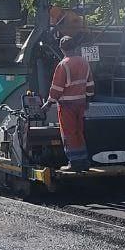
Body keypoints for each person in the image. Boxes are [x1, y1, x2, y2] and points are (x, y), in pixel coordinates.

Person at [46, 35, 94, 171]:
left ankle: (74, 162)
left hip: (67, 105)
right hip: (81, 103)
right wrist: (88, 99)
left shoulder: (63, 65)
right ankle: (84, 161)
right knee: (79, 131)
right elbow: (90, 84)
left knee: (69, 133)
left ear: (61, 49)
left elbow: (57, 88)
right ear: (75, 47)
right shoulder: (84, 62)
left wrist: (49, 103)